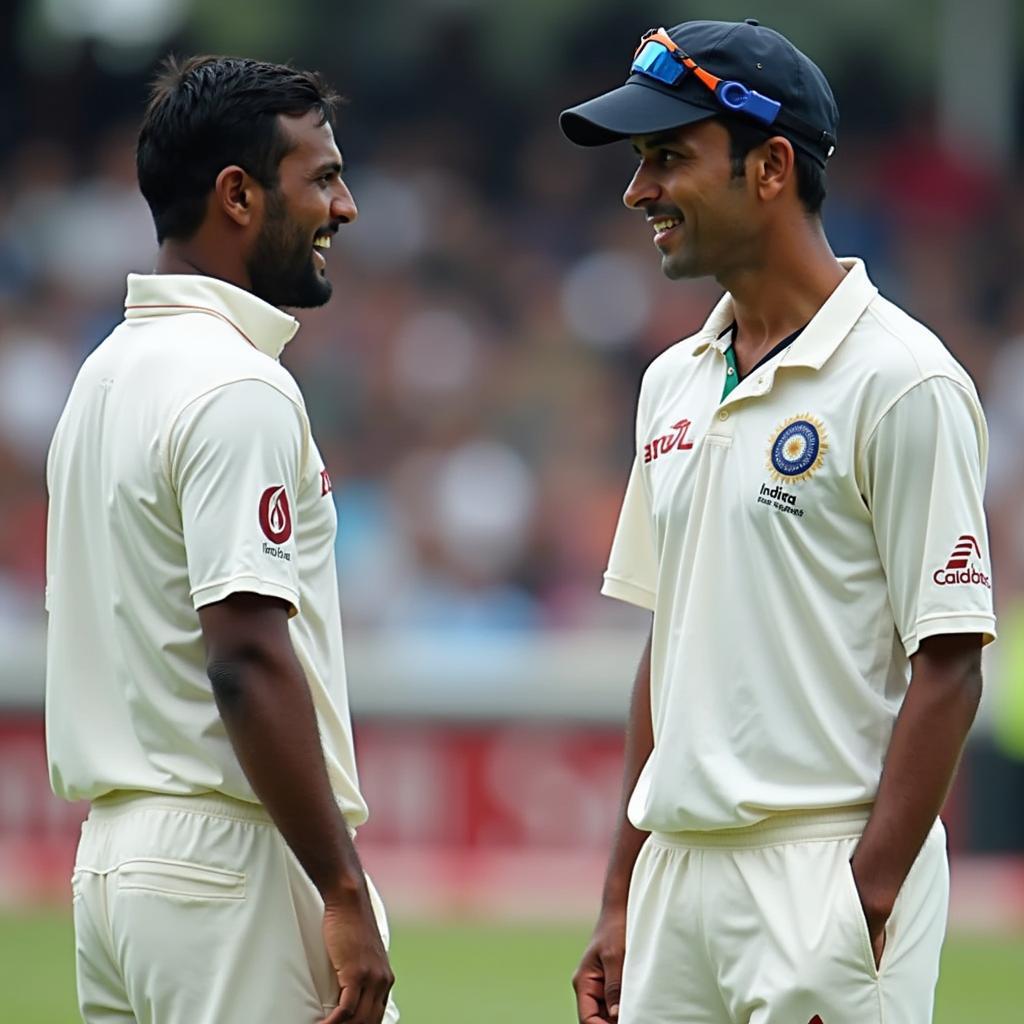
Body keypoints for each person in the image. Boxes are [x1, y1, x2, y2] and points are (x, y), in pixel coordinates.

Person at [560, 19, 996, 1024]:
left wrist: (862, 901)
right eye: (636, 162)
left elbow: (950, 661)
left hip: (823, 866)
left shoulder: (902, 380)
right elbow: (666, 647)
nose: (638, 192)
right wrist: (624, 892)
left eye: (667, 157)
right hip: (676, 877)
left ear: (769, 168)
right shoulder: (670, 381)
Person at [45, 55, 397, 1024]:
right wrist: (341, 888)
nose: (346, 206)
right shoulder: (235, 384)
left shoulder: (103, 377)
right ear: (237, 195)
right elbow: (242, 654)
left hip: (113, 869)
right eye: (320, 177)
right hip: (228, 861)